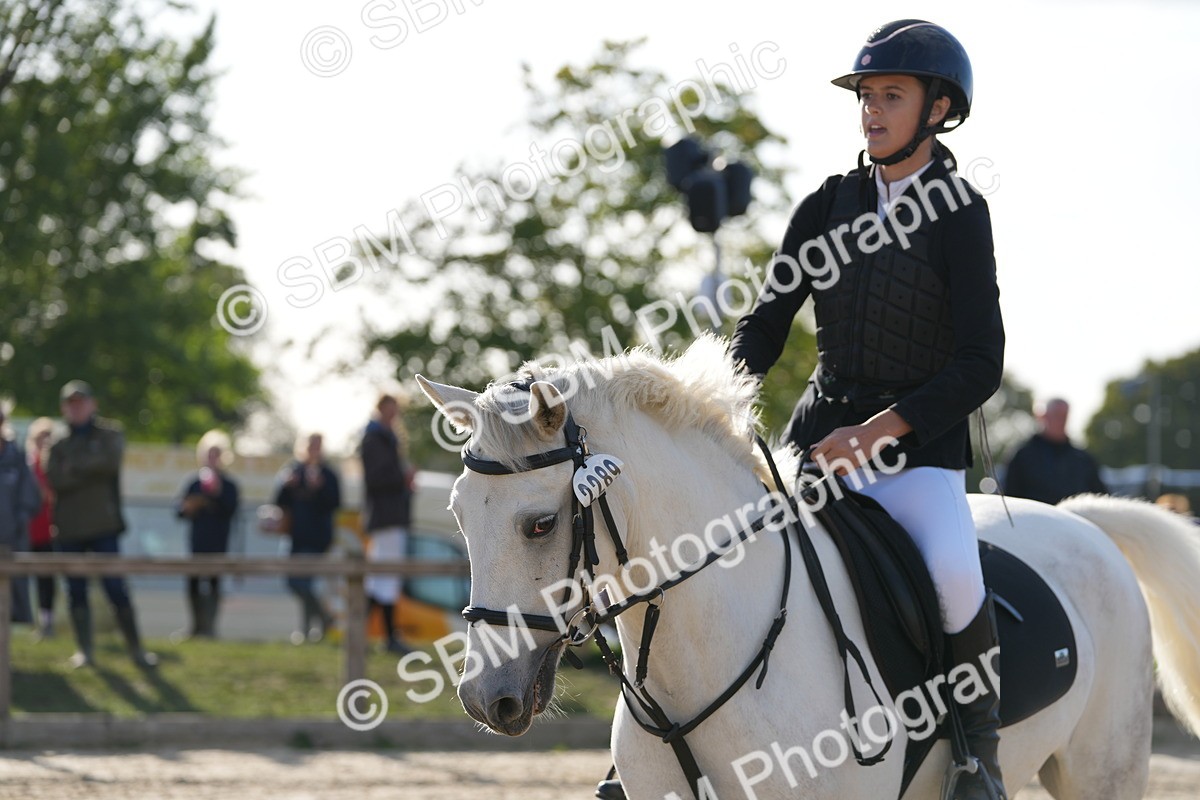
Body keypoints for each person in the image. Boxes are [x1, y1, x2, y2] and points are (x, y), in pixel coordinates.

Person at [729, 20, 1007, 800]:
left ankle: (975, 757)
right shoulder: (826, 204)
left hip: (917, 454)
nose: (872, 111)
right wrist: (707, 402)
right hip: (816, 440)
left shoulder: (959, 211)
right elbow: (765, 326)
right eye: (867, 96)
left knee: (954, 573)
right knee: (716, 550)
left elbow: (981, 363)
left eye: (892, 95)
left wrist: (882, 432)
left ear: (938, 107)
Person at [46, 380, 156, 669]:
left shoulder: (110, 433)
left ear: (93, 404)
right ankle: (85, 651)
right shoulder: (58, 443)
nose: (77, 407)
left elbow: (108, 464)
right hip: (69, 528)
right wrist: (87, 468)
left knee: (115, 586)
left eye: (81, 402)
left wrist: (76, 467)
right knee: (75, 590)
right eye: (71, 403)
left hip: (104, 526)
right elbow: (56, 479)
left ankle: (136, 650)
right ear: (64, 408)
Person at [360, 394, 415, 654]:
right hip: (385, 516)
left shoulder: (384, 438)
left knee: (381, 579)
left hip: (389, 516)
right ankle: (384, 637)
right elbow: (376, 478)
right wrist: (402, 478)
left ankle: (367, 634)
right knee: (384, 577)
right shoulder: (374, 439)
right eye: (390, 410)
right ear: (380, 409)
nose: (394, 415)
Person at [274, 433, 341, 643]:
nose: (315, 450)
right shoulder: (294, 470)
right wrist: (287, 485)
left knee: (304, 582)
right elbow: (278, 502)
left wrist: (319, 488)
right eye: (312, 445)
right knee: (295, 582)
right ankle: (323, 618)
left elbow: (335, 503)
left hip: (317, 537)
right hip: (295, 536)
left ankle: (306, 629)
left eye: (318, 446)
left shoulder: (329, 474)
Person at [175, 429, 239, 639]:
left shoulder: (229, 485)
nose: (212, 458)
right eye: (209, 453)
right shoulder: (194, 482)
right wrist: (191, 506)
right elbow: (179, 512)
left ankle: (210, 629)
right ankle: (195, 627)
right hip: (196, 542)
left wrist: (216, 494)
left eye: (216, 453)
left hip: (219, 542)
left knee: (213, 582)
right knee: (193, 582)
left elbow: (231, 510)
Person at [1003, 399, 1108, 505]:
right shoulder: (1022, 457)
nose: (1061, 421)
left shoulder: (1084, 460)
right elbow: (1010, 499)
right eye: (1056, 415)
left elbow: (1100, 499)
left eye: (1064, 416)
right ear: (1042, 417)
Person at [1, 401, 41, 627]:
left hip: (12, 543)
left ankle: (6, 660)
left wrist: (18, 523)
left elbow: (31, 497)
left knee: (11, 606)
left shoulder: (16, 458)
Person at [26, 417, 57, 639]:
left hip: (51, 531)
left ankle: (47, 623)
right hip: (27, 530)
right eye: (40, 438)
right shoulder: (27, 466)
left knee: (46, 578)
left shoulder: (57, 466)